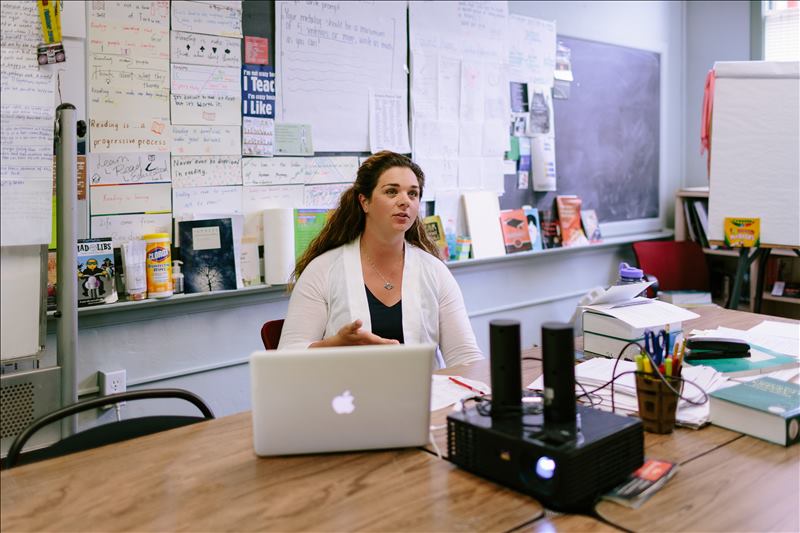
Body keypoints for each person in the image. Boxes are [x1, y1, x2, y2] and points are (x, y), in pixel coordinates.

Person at [278, 151, 483, 368]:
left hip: (423, 398)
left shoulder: (434, 270)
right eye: (392, 191)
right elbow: (287, 357)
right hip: (347, 397)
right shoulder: (323, 270)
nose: (405, 201)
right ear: (364, 202)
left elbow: (465, 357)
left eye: (413, 194)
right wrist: (334, 345)